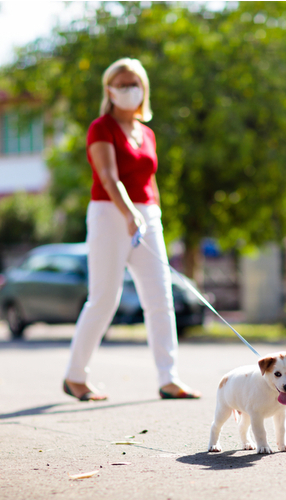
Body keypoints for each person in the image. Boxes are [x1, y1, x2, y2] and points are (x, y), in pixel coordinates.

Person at [63, 57, 201, 401]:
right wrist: (128, 213)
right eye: (122, 84)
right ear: (109, 90)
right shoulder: (101, 127)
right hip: (110, 214)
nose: (129, 90)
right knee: (104, 298)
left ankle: (169, 378)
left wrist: (149, 213)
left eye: (134, 83)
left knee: (160, 297)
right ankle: (75, 376)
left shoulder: (147, 132)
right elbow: (109, 177)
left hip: (146, 215)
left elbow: (147, 180)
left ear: (144, 89)